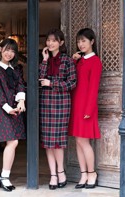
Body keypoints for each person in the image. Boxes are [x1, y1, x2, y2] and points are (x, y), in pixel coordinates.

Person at [39, 29, 77, 190]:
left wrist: (52, 84)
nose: (50, 43)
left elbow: (72, 83)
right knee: (48, 142)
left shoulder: (67, 61)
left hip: (61, 102)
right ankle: (53, 174)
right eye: (48, 40)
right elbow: (39, 79)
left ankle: (61, 172)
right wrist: (45, 60)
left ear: (61, 43)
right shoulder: (44, 61)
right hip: (46, 102)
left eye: (54, 40)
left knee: (58, 142)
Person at [0, 38, 26, 192]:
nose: (9, 53)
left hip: (16, 107)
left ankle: (4, 176)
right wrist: (7, 107)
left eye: (13, 51)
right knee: (13, 142)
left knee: (13, 142)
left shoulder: (16, 68)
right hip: (3, 108)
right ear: (0, 48)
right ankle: (4, 177)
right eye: (7, 49)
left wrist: (21, 101)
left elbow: (20, 84)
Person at [69, 28, 102, 189]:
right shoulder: (79, 61)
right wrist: (75, 60)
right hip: (75, 105)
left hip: (86, 107)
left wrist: (89, 110)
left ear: (92, 42)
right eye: (79, 41)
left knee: (84, 141)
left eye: (84, 41)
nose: (81, 44)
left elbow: (93, 88)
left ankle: (92, 173)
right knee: (78, 140)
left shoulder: (95, 61)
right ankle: (83, 174)